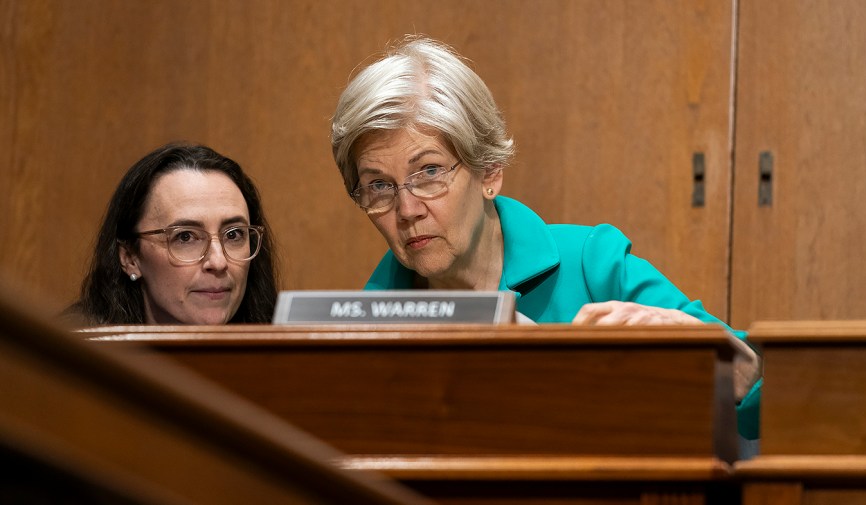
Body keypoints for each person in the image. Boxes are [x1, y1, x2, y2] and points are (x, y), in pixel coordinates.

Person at [330, 36, 761, 442]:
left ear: (490, 171)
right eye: (380, 186)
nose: (407, 210)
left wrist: (736, 370)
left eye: (429, 172)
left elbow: (774, 396)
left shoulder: (595, 265)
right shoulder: (360, 326)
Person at [67, 142, 278, 326]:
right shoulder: (72, 366)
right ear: (130, 258)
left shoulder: (288, 363)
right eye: (185, 236)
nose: (219, 262)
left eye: (233, 235)